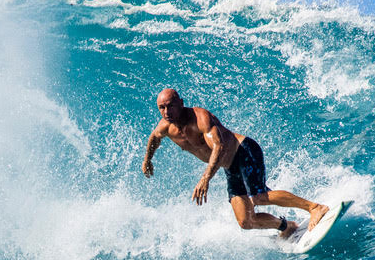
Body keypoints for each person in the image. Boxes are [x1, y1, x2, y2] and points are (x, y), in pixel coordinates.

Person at [141, 88, 329, 239]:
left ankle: (314, 207)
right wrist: (147, 159)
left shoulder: (201, 118)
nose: (166, 112)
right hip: (229, 167)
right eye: (161, 108)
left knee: (260, 197)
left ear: (181, 103)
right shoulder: (165, 127)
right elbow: (154, 138)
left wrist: (205, 178)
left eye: (170, 106)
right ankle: (286, 227)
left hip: (244, 151)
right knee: (245, 221)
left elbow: (219, 146)